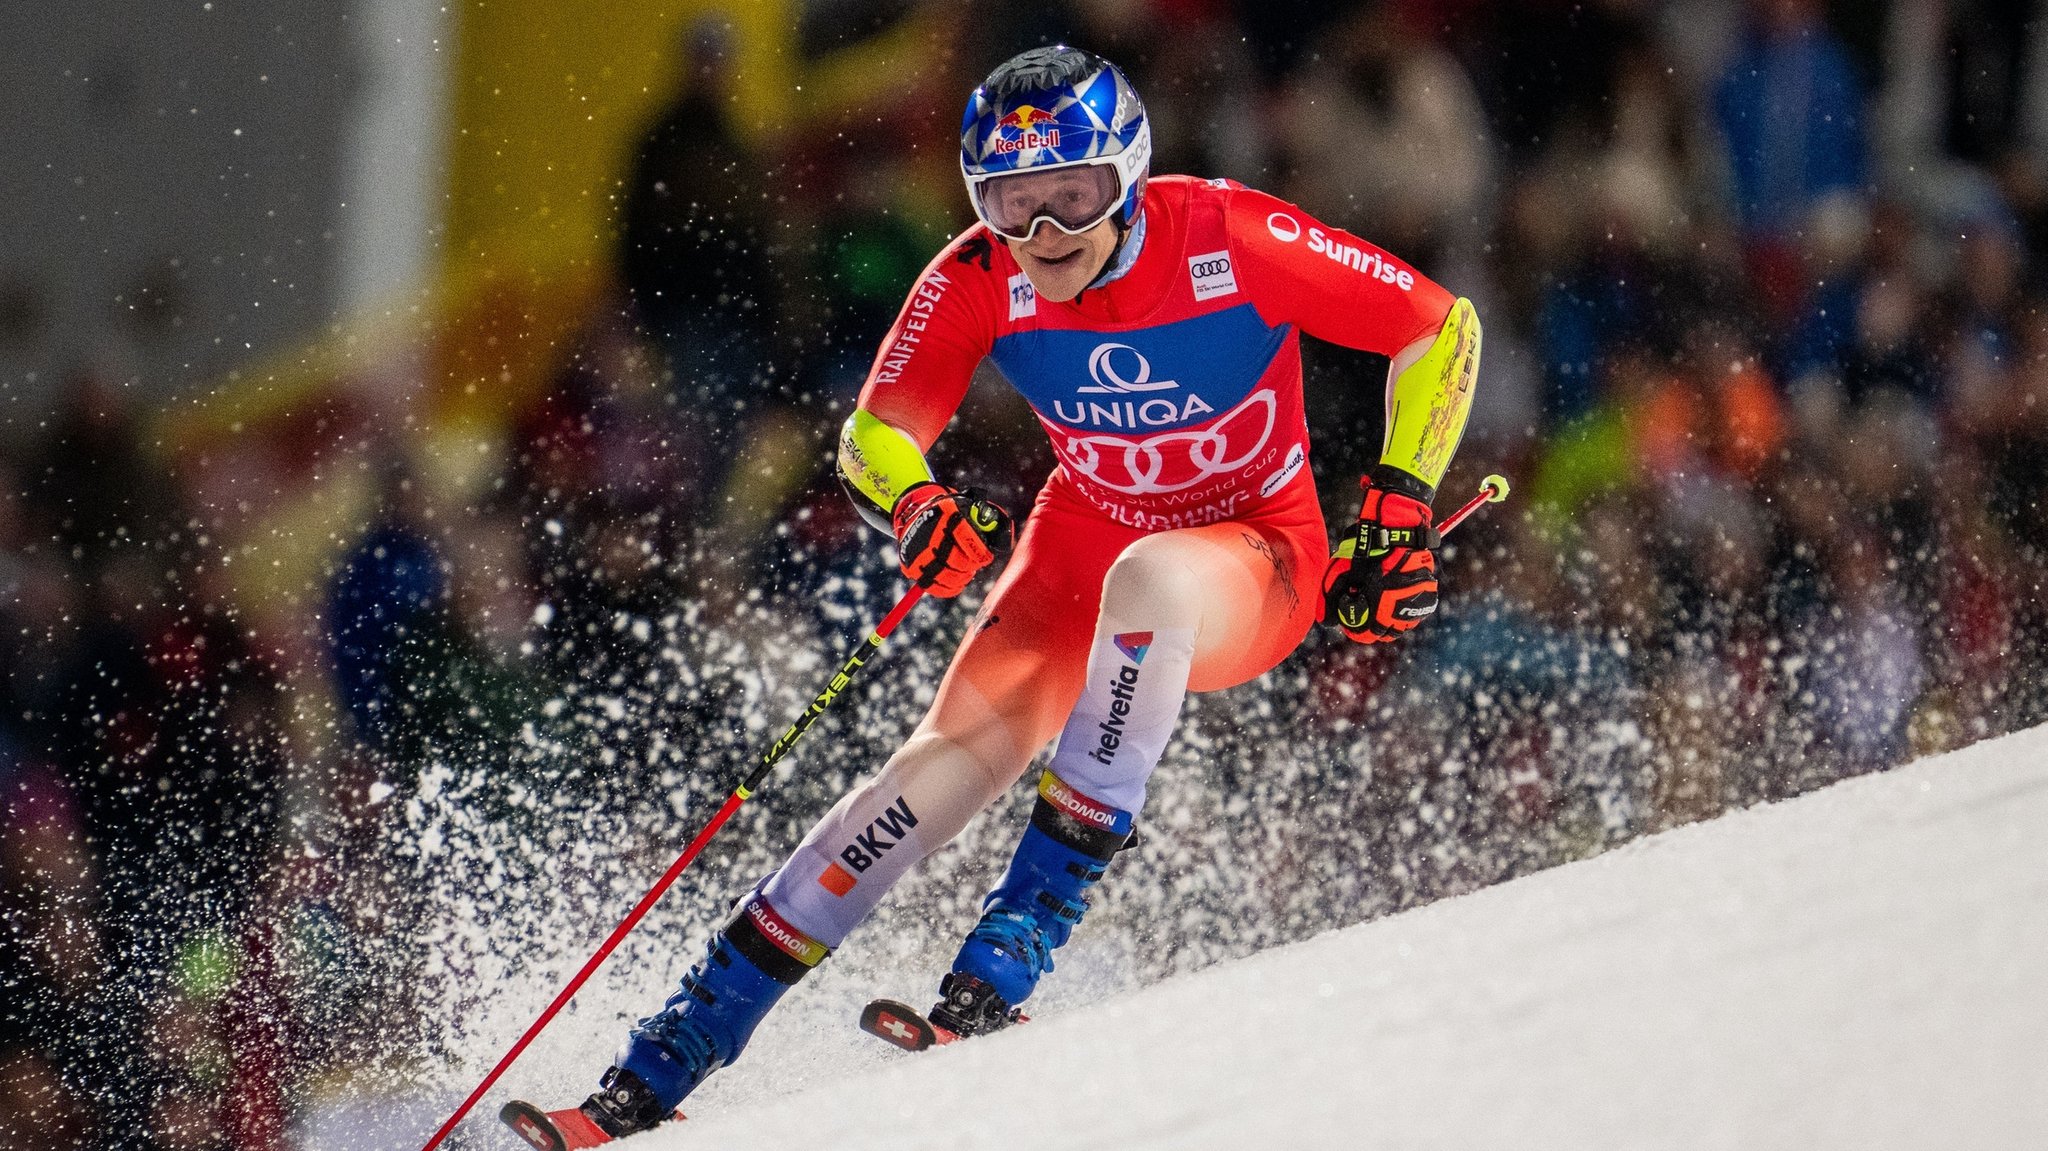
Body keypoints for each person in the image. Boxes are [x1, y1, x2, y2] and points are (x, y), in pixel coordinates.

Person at [506, 44, 1481, 1148]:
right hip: (1079, 548)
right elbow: (874, 433)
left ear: (1128, 175)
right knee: (918, 783)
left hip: (1252, 557)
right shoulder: (979, 274)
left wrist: (1397, 505)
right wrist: (917, 505)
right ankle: (655, 1068)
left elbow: (1437, 326)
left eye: (1073, 195)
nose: (1046, 231)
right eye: (1014, 202)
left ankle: (1003, 958)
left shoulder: (1224, 234)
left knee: (1151, 578)